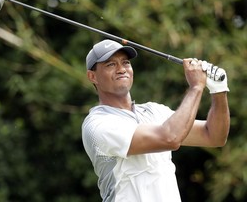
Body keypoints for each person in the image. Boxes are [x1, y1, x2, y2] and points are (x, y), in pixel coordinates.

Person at [81, 39, 230, 202]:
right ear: (92, 76)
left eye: (125, 63)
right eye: (110, 65)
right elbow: (170, 138)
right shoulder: (97, 124)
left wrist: (219, 91)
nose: (121, 69)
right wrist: (196, 87)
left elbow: (213, 136)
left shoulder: (154, 111)